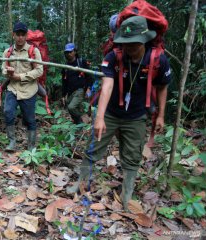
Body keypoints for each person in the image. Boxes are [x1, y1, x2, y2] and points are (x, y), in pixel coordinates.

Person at [66, 16, 172, 211]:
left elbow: (162, 87)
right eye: (125, 43)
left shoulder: (158, 59)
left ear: (144, 40)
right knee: (92, 148)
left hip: (136, 116)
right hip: (111, 113)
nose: (128, 47)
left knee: (132, 156)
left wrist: (161, 115)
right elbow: (107, 86)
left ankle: (127, 193)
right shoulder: (113, 57)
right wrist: (99, 118)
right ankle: (80, 185)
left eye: (133, 44)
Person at [1, 22, 43, 151]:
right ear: (13, 35)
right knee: (8, 112)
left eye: (22, 35)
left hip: (28, 90)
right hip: (12, 88)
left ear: (26, 36)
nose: (20, 37)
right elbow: (3, 69)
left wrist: (21, 76)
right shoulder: (8, 52)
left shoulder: (33, 51)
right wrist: (7, 72)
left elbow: (39, 71)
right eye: (17, 35)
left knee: (29, 119)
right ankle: (12, 142)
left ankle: (31, 147)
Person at [62, 43, 93, 124]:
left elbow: (89, 76)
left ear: (75, 52)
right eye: (66, 52)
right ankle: (78, 125)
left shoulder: (81, 62)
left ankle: (83, 116)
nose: (68, 54)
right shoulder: (65, 66)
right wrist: (63, 95)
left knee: (71, 107)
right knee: (71, 108)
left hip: (80, 90)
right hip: (70, 92)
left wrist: (88, 88)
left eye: (70, 52)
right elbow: (64, 81)